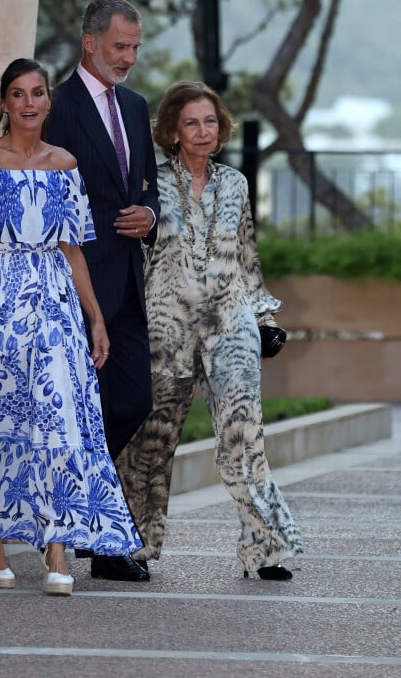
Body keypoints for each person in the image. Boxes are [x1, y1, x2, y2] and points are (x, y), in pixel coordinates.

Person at [0, 58, 143, 597]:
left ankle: (57, 546)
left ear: (48, 101)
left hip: (55, 308)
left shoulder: (65, 164)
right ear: (4, 102)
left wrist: (95, 319)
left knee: (59, 421)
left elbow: (74, 250)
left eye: (37, 93)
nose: (28, 102)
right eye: (17, 94)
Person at [115, 80, 304, 580]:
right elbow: (134, 259)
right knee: (152, 439)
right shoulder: (150, 185)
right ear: (173, 133)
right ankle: (131, 545)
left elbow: (246, 257)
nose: (203, 131)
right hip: (166, 328)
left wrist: (263, 319)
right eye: (191, 123)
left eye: (211, 121)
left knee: (244, 434)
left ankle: (265, 549)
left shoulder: (237, 183)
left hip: (230, 321)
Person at [46, 0, 160, 582]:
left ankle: (82, 516)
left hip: (129, 287)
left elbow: (146, 187)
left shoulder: (137, 108)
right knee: (86, 412)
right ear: (89, 41)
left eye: (136, 47)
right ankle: (104, 537)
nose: (130, 58)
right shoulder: (56, 108)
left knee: (134, 400)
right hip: (74, 288)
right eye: (120, 46)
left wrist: (150, 215)